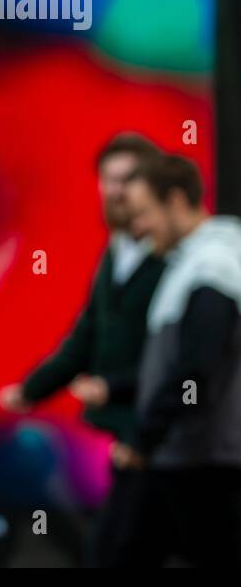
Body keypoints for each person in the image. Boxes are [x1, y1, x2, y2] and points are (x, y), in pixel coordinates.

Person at [0, 133, 164, 566]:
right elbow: (85, 337)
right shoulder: (116, 252)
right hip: (106, 437)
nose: (115, 191)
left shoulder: (178, 256)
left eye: (127, 180)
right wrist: (33, 390)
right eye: (107, 180)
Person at [117, 154, 241, 565]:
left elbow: (197, 369)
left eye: (142, 215)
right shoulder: (194, 263)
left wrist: (143, 437)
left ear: (174, 200)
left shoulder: (214, 266)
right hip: (186, 459)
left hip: (203, 465)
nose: (138, 230)